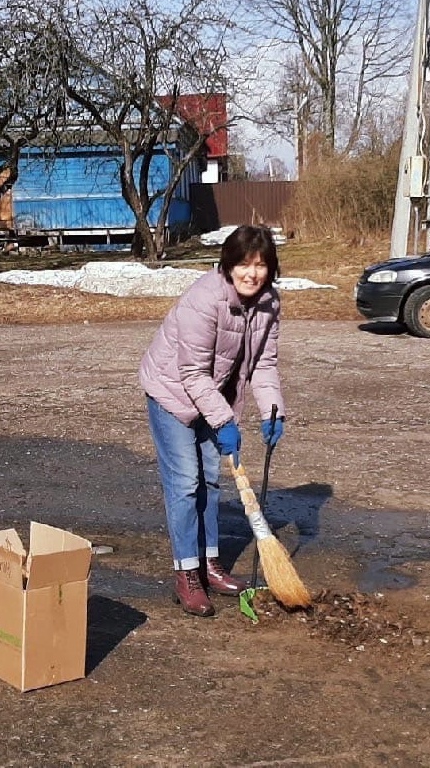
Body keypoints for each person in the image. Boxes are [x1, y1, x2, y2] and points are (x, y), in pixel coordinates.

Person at [139, 225, 287, 617]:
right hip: (172, 392)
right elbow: (191, 373)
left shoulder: (269, 302)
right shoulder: (205, 299)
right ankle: (186, 573)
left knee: (210, 480)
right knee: (186, 482)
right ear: (227, 264)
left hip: (212, 395)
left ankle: (209, 563)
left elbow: (264, 364)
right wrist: (224, 421)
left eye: (260, 265)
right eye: (243, 264)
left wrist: (273, 411)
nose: (251, 273)